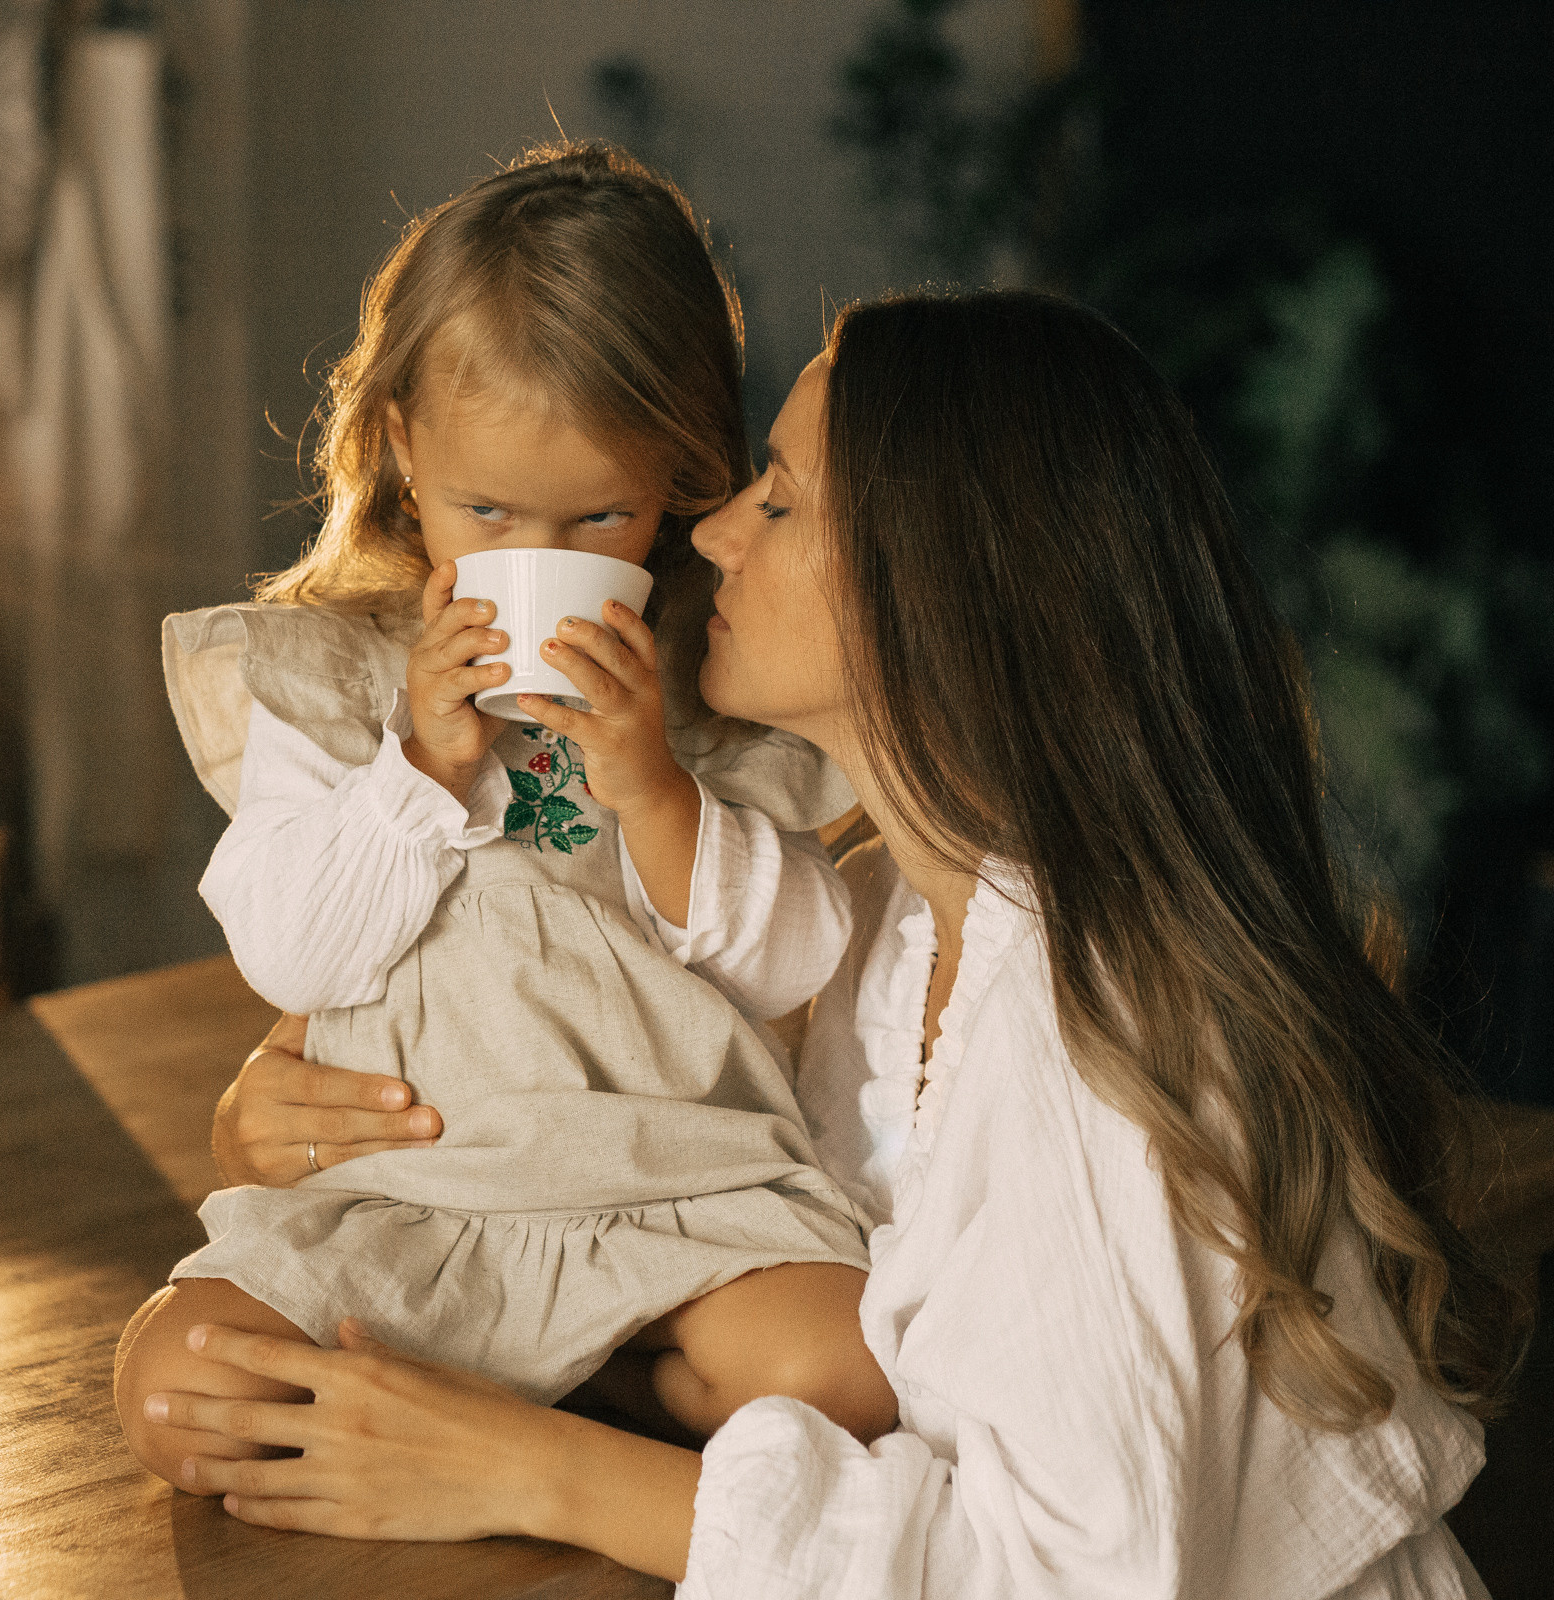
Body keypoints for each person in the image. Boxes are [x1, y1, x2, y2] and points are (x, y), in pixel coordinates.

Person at [136, 288, 1527, 1596]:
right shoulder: (892, 931)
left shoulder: (1104, 1030)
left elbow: (1063, 1579)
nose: (714, 532)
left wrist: (534, 1471)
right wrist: (288, 1110)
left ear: (942, 592)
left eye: (781, 499)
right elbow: (616, 1111)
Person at [115, 144, 894, 1489]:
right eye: (489, 512)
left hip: (672, 1193)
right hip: (408, 1195)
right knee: (181, 1394)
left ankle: (540, 1392)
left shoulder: (719, 700)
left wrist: (651, 785)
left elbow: (795, 962)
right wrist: (419, 766)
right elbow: (296, 960)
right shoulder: (329, 679)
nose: (543, 561)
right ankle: (524, 1383)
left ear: (681, 484)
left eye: (601, 516)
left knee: (847, 1369)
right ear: (405, 449)